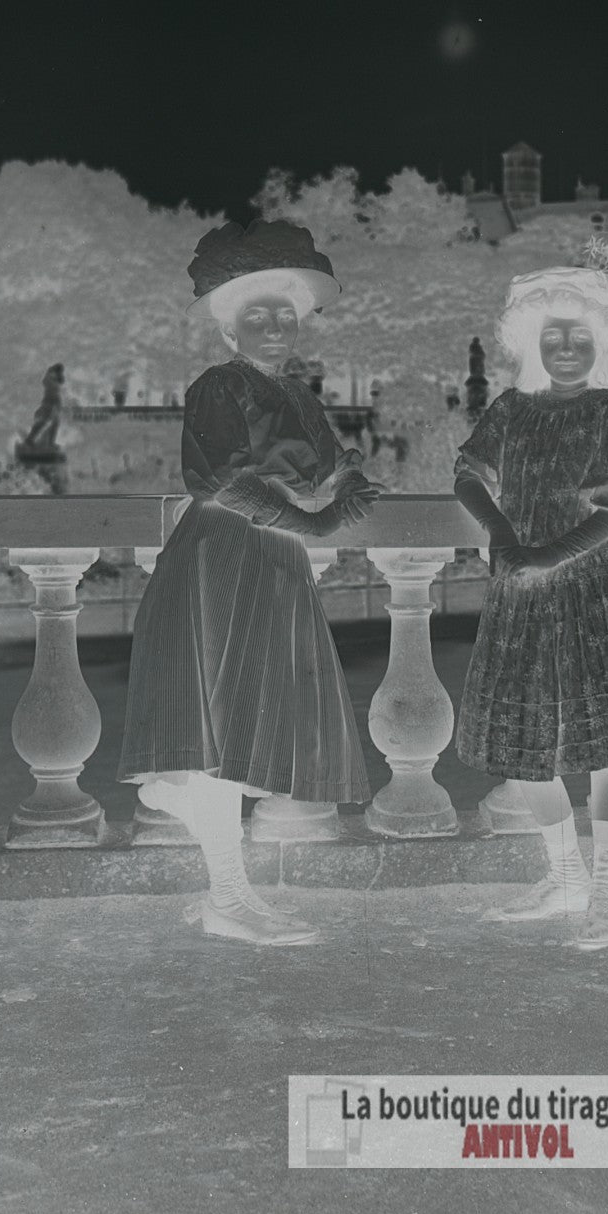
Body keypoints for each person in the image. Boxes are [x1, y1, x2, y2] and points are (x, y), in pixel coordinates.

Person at [117, 217, 381, 946]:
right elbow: (224, 479)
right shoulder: (218, 387)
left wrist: (348, 477)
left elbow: (330, 465)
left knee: (243, 726)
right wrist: (320, 524)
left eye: (285, 314)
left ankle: (222, 879)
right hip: (224, 555)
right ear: (231, 327)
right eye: (257, 314)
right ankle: (228, 896)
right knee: (222, 729)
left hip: (276, 564)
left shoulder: (298, 396)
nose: (273, 326)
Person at [452, 267, 608, 950]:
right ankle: (565, 878)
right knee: (524, 746)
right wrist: (500, 533)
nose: (564, 346)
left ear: (598, 342)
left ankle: (607, 891)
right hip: (522, 594)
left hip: (593, 591)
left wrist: (551, 553)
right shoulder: (510, 410)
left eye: (576, 335)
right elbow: (469, 475)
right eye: (551, 335)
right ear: (530, 341)